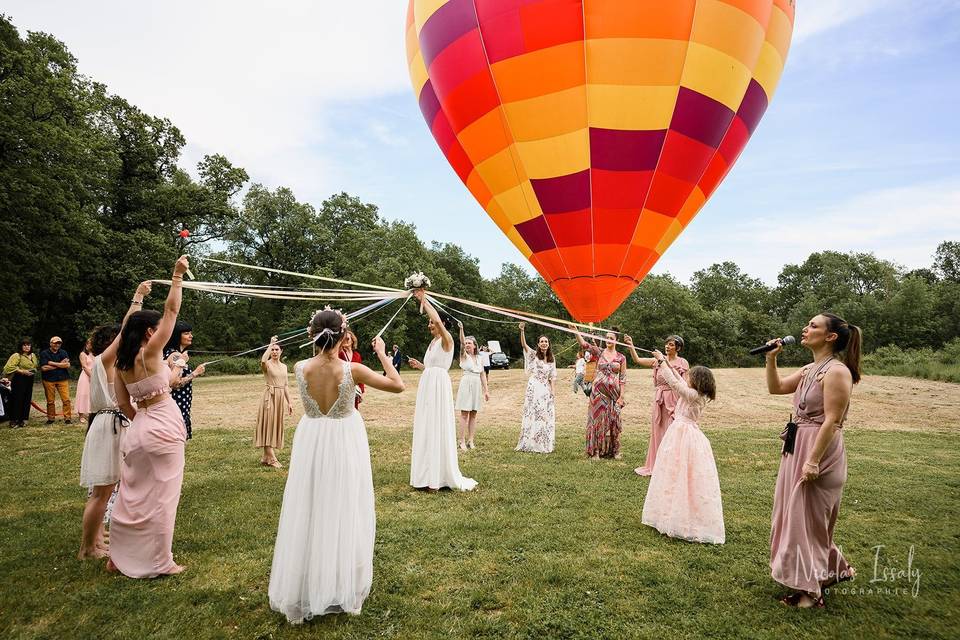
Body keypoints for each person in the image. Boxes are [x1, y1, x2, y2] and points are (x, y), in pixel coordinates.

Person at [269, 309, 404, 622]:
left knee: (311, 505)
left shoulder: (299, 366)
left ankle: (308, 581)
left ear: (310, 334)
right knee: (345, 505)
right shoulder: (353, 369)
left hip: (312, 439)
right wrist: (383, 354)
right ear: (344, 336)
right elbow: (397, 385)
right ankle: (339, 582)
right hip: (344, 439)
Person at [765, 313, 861, 608]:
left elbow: (832, 420)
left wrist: (813, 461)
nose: (805, 329)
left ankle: (810, 593)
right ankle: (832, 571)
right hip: (798, 445)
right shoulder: (810, 369)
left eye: (813, 326)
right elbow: (776, 387)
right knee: (796, 515)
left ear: (830, 337)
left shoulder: (837, 371)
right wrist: (771, 359)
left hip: (819, 451)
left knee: (805, 520)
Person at [108, 256, 191, 578]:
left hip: (137, 428)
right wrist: (177, 276)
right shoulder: (152, 352)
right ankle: (160, 562)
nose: (162, 331)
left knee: (131, 495)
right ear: (148, 332)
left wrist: (142, 419)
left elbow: (123, 404)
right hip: (163, 424)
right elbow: (172, 311)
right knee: (163, 496)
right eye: (156, 329)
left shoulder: (121, 364)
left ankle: (117, 555)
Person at [78, 282, 152, 559]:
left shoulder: (106, 363)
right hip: (108, 426)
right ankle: (87, 548)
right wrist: (137, 298)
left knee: (104, 490)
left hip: (111, 425)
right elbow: (125, 331)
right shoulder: (103, 362)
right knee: (102, 492)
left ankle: (96, 542)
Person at [641, 351, 723, 544]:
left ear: (699, 381)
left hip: (683, 434)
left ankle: (679, 516)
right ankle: (669, 512)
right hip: (680, 432)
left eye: (691, 375)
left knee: (680, 471)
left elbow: (675, 384)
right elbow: (679, 379)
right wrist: (666, 364)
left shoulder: (694, 395)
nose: (687, 377)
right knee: (673, 470)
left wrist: (661, 362)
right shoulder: (694, 392)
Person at [406, 289, 478, 491]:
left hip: (438, 386)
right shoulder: (432, 342)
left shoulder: (448, 340)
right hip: (428, 384)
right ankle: (425, 474)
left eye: (432, 323)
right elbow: (433, 366)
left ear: (442, 325)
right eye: (429, 323)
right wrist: (419, 366)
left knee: (437, 424)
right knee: (427, 424)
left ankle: (438, 478)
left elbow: (437, 320)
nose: (429, 325)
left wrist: (424, 299)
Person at [624, 335, 690, 476]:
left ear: (678, 348)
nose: (667, 346)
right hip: (659, 400)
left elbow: (685, 384)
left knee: (673, 431)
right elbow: (637, 360)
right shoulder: (657, 361)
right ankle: (657, 465)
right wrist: (631, 344)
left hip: (674, 399)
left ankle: (674, 465)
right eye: (666, 344)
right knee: (659, 431)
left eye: (671, 344)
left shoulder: (682, 362)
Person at [575, 327, 627, 459]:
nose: (608, 340)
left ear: (616, 341)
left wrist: (621, 397)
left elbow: (623, 378)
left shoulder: (621, 357)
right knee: (597, 421)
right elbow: (584, 344)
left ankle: (614, 450)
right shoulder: (599, 352)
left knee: (614, 421)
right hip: (598, 393)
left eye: (611, 338)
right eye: (606, 338)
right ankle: (596, 451)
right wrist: (575, 331)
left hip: (614, 395)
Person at [515, 322, 557, 453]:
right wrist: (522, 331)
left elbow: (552, 377)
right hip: (534, 387)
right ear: (538, 344)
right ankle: (529, 442)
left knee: (543, 414)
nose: (544, 343)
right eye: (542, 341)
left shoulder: (551, 359)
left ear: (548, 344)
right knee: (533, 412)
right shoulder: (533, 355)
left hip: (545, 388)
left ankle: (542, 442)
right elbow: (524, 345)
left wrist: (553, 391)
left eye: (546, 341)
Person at [164, 321, 206, 439]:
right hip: (177, 403)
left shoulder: (174, 354)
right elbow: (174, 383)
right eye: (187, 333)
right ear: (177, 336)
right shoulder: (175, 355)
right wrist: (195, 373)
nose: (191, 336)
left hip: (180, 404)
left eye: (190, 333)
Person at [255, 336, 292, 468]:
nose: (275, 352)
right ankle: (271, 457)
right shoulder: (267, 364)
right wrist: (270, 345)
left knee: (274, 424)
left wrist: (289, 402)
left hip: (280, 397)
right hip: (269, 397)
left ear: (281, 351)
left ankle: (266, 456)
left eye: (277, 349)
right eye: (273, 350)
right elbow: (263, 360)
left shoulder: (284, 366)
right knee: (268, 424)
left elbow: (286, 385)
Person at [454, 322, 489, 450]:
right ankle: (461, 441)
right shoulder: (464, 356)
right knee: (464, 413)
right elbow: (462, 342)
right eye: (466, 343)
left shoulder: (480, 358)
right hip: (466, 383)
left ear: (475, 346)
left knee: (474, 413)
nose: (467, 344)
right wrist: (462, 329)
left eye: (470, 343)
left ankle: (471, 440)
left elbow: (482, 375)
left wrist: (486, 390)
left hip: (476, 385)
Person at [3, 338, 39, 428]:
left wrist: (33, 371)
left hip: (29, 378)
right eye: (25, 345)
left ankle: (23, 419)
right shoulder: (17, 355)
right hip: (19, 379)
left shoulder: (33, 355)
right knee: (17, 399)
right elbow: (8, 368)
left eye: (29, 345)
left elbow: (35, 366)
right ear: (21, 346)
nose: (27, 347)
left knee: (27, 399)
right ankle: (14, 420)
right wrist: (22, 371)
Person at [39, 336, 72, 424]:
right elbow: (44, 368)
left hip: (62, 379)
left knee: (66, 400)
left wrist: (51, 363)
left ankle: (68, 418)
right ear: (50, 343)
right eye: (55, 343)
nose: (57, 345)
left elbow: (67, 365)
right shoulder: (44, 353)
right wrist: (60, 364)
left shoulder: (63, 352)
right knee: (50, 401)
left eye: (59, 343)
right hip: (48, 379)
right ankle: (51, 418)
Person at [338, 329, 365, 409]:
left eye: (347, 339)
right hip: (342, 387)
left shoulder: (357, 355)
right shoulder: (339, 353)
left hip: (354, 387)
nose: (345, 341)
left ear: (352, 340)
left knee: (354, 410)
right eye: (343, 339)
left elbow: (360, 373)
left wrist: (361, 389)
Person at [75, 339, 93, 422]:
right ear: (86, 344)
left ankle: (90, 413)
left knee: (92, 395)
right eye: (90, 344)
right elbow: (84, 366)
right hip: (86, 376)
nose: (91, 345)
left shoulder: (95, 354)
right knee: (83, 394)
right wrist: (92, 376)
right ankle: (81, 415)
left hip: (94, 374)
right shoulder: (83, 354)